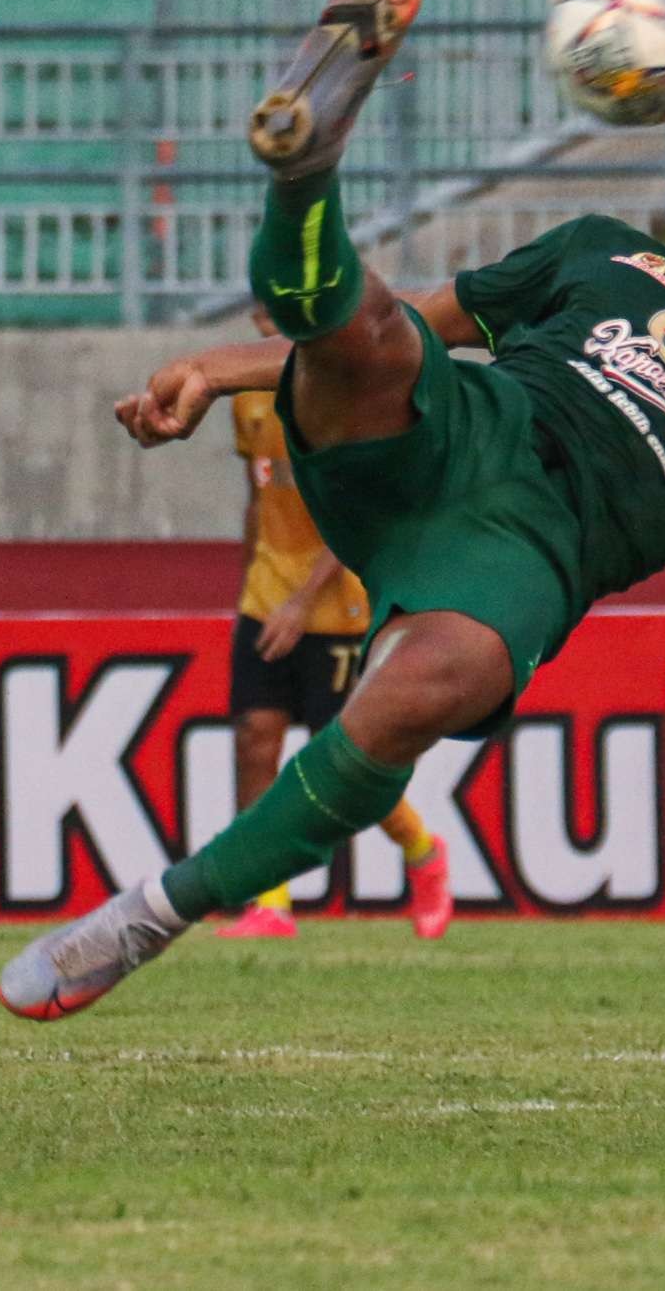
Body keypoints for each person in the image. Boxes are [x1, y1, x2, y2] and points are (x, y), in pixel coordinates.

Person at [0, 0, 665, 1022]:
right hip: (464, 432)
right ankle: (304, 167)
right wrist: (216, 367)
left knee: (412, 698)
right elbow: (421, 319)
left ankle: (145, 917)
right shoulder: (599, 253)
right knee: (369, 328)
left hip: (535, 547)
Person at [206, 316, 452, 940]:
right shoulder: (248, 397)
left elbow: (358, 515)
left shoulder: (345, 392)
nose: (267, 314)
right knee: (254, 739)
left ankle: (422, 851)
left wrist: (300, 601)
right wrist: (252, 588)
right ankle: (271, 902)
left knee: (342, 759)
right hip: (266, 595)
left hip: (336, 601)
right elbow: (258, 500)